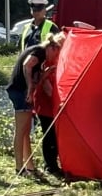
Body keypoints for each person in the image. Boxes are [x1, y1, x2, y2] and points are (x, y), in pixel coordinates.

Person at [6, 32, 65, 177]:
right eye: (57, 55)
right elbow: (27, 66)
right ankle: (19, 168)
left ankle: (30, 166)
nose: (56, 58)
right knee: (21, 131)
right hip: (20, 91)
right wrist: (29, 89)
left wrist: (44, 75)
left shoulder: (41, 58)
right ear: (53, 48)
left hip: (21, 92)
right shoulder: (39, 51)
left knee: (26, 131)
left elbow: (37, 79)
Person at [32, 35, 65, 178]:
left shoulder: (56, 59)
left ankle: (53, 163)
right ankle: (50, 165)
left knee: (54, 134)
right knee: (49, 134)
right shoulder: (46, 62)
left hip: (53, 103)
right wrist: (58, 100)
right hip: (45, 104)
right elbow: (46, 86)